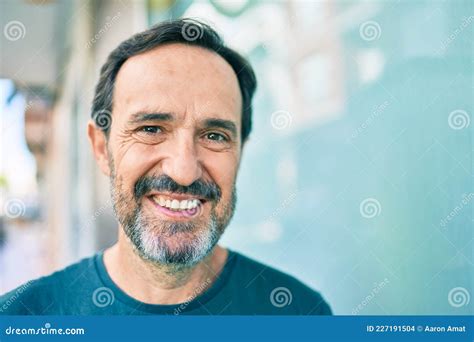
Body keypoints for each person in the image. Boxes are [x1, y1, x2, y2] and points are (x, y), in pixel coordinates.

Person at [0, 18, 331, 315]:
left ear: (240, 153)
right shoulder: (23, 317)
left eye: (214, 136)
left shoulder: (300, 313)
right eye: (151, 129)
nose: (183, 170)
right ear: (102, 148)